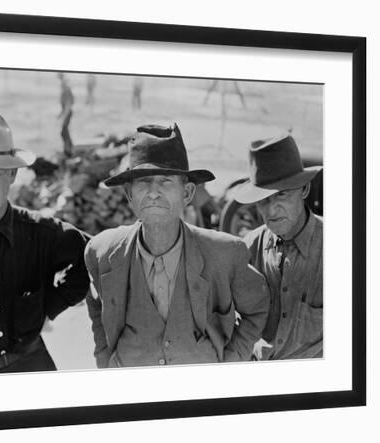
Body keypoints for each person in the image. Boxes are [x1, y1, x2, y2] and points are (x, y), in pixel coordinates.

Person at [85, 124, 269, 368]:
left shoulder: (224, 253)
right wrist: (105, 360)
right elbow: (98, 307)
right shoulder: (102, 252)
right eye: (143, 182)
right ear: (129, 194)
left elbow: (257, 309)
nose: (153, 192)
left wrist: (229, 363)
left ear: (188, 193)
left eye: (166, 181)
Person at [0, 110, 89, 374]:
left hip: (32, 369)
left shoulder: (41, 231)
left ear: (12, 174)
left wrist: (50, 306)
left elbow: (94, 255)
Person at [233, 134, 323, 360]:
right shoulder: (249, 248)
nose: (272, 211)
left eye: (282, 194)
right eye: (263, 199)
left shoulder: (342, 246)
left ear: (303, 190)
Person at [57, 73, 74, 157]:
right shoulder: (65, 89)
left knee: (64, 132)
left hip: (67, 113)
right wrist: (60, 114)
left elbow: (68, 105)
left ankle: (68, 150)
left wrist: (64, 116)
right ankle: (68, 149)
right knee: (64, 132)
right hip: (66, 112)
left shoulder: (66, 89)